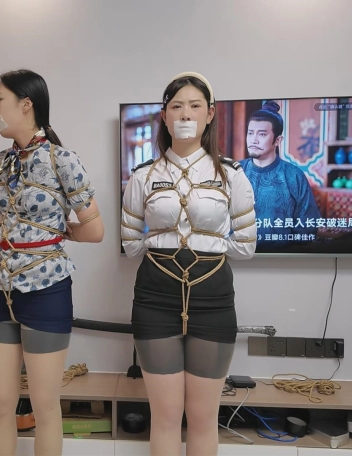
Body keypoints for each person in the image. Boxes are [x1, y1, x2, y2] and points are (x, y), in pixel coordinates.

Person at [120, 72, 257, 456]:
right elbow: (130, 245)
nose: (185, 113)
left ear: (209, 114)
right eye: (177, 106)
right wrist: (164, 241)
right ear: (164, 116)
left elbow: (246, 246)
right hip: (154, 299)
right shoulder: (143, 176)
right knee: (164, 416)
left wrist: (205, 243)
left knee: (202, 418)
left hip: (213, 301)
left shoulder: (232, 175)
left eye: (195, 105)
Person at [0, 69, 103, 456]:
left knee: (45, 405)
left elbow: (94, 230)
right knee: (0, 403)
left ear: (26, 104)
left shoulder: (62, 160)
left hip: (46, 290)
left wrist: (54, 233)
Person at [238, 101, 321, 248]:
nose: (253, 140)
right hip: (236, 256)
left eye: (262, 134)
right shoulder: (234, 172)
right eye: (250, 133)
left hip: (282, 258)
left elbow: (308, 226)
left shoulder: (294, 176)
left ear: (278, 140)